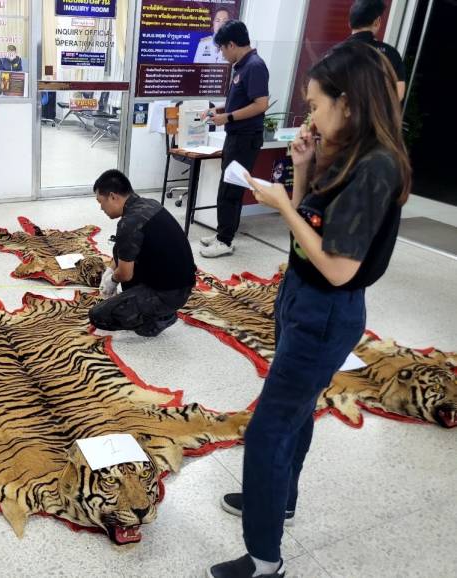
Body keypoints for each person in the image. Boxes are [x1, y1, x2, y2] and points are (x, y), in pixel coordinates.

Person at [206, 41, 410, 578]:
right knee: (293, 415)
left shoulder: (376, 167)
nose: (310, 116)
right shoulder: (346, 155)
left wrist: (277, 206)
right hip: (301, 297)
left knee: (270, 427)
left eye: (316, 104)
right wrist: (301, 171)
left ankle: (264, 559)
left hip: (326, 310)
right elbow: (312, 227)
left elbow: (338, 268)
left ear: (349, 102)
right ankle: (280, 500)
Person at [89, 170, 196, 337]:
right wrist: (110, 270)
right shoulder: (149, 204)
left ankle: (162, 317)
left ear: (113, 197)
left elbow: (125, 274)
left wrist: (112, 280)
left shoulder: (129, 223)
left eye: (101, 202)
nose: (101, 208)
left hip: (170, 293)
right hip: (181, 283)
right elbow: (121, 249)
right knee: (125, 259)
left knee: (98, 316)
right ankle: (155, 307)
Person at [199, 20, 269, 258]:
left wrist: (227, 117)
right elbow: (241, 101)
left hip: (245, 139)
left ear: (231, 44)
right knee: (227, 187)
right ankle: (222, 234)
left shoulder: (255, 66)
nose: (221, 53)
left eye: (221, 49)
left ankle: (225, 241)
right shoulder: (243, 66)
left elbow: (261, 105)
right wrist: (218, 110)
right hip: (235, 136)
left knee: (231, 190)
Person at [347, 0, 406, 100]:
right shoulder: (391, 53)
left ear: (350, 23)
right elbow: (399, 94)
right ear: (377, 22)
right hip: (378, 114)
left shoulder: (334, 53)